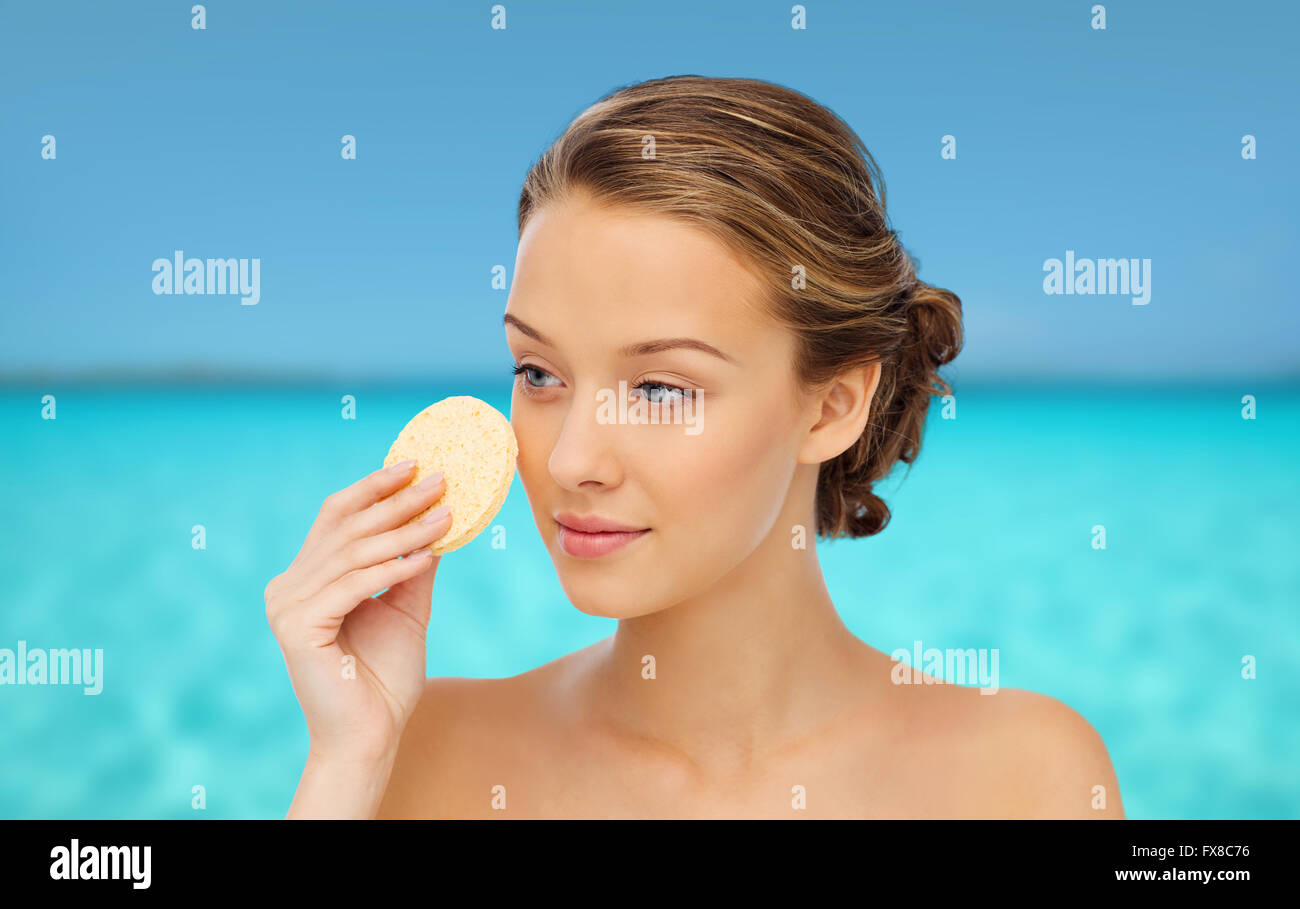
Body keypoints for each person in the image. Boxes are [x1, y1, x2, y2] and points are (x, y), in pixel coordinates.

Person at [266, 75, 1124, 819]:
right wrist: (347, 761)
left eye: (660, 388)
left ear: (833, 404)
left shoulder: (1025, 777)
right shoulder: (424, 754)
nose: (570, 460)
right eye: (538, 372)